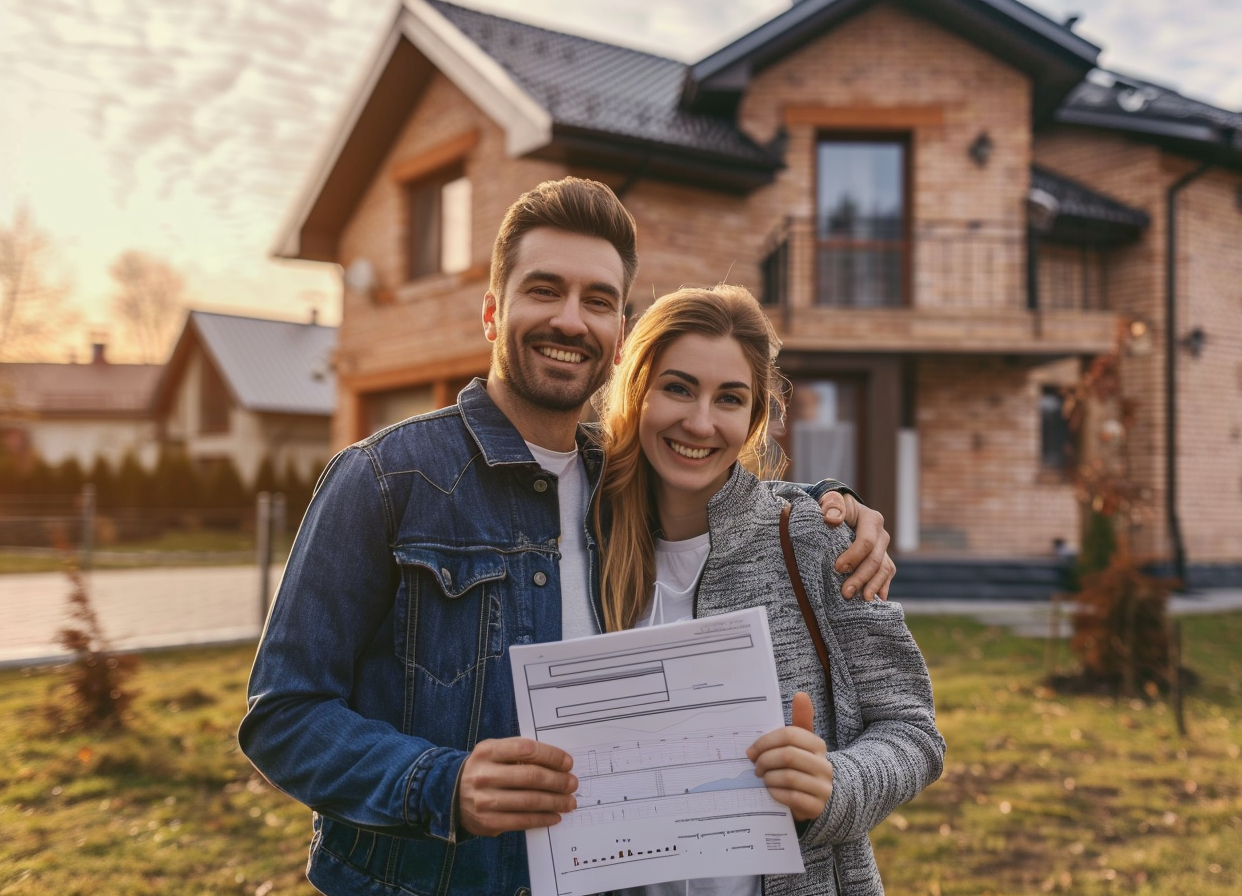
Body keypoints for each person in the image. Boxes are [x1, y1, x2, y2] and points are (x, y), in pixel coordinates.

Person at [239, 177, 897, 896]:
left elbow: (728, 488)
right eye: (544, 290)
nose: (570, 321)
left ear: (619, 338)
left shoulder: (623, 488)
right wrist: (442, 785)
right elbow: (283, 716)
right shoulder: (385, 479)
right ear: (493, 312)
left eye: (598, 301)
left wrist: (832, 505)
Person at [595, 284, 945, 896]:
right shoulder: (580, 541)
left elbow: (913, 731)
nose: (700, 422)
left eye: (729, 398)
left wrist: (833, 786)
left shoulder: (815, 540)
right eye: (678, 388)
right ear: (636, 392)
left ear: (754, 418)